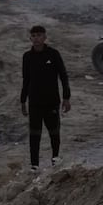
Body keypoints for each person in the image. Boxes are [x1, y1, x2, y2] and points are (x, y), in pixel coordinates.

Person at [20, 26, 71, 171]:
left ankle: (55, 159)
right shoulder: (27, 57)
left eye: (39, 35)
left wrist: (66, 97)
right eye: (33, 36)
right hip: (35, 102)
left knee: (54, 132)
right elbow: (26, 80)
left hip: (51, 101)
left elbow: (63, 76)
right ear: (30, 38)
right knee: (34, 134)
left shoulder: (53, 54)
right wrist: (23, 100)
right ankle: (34, 164)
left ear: (45, 37)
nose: (36, 38)